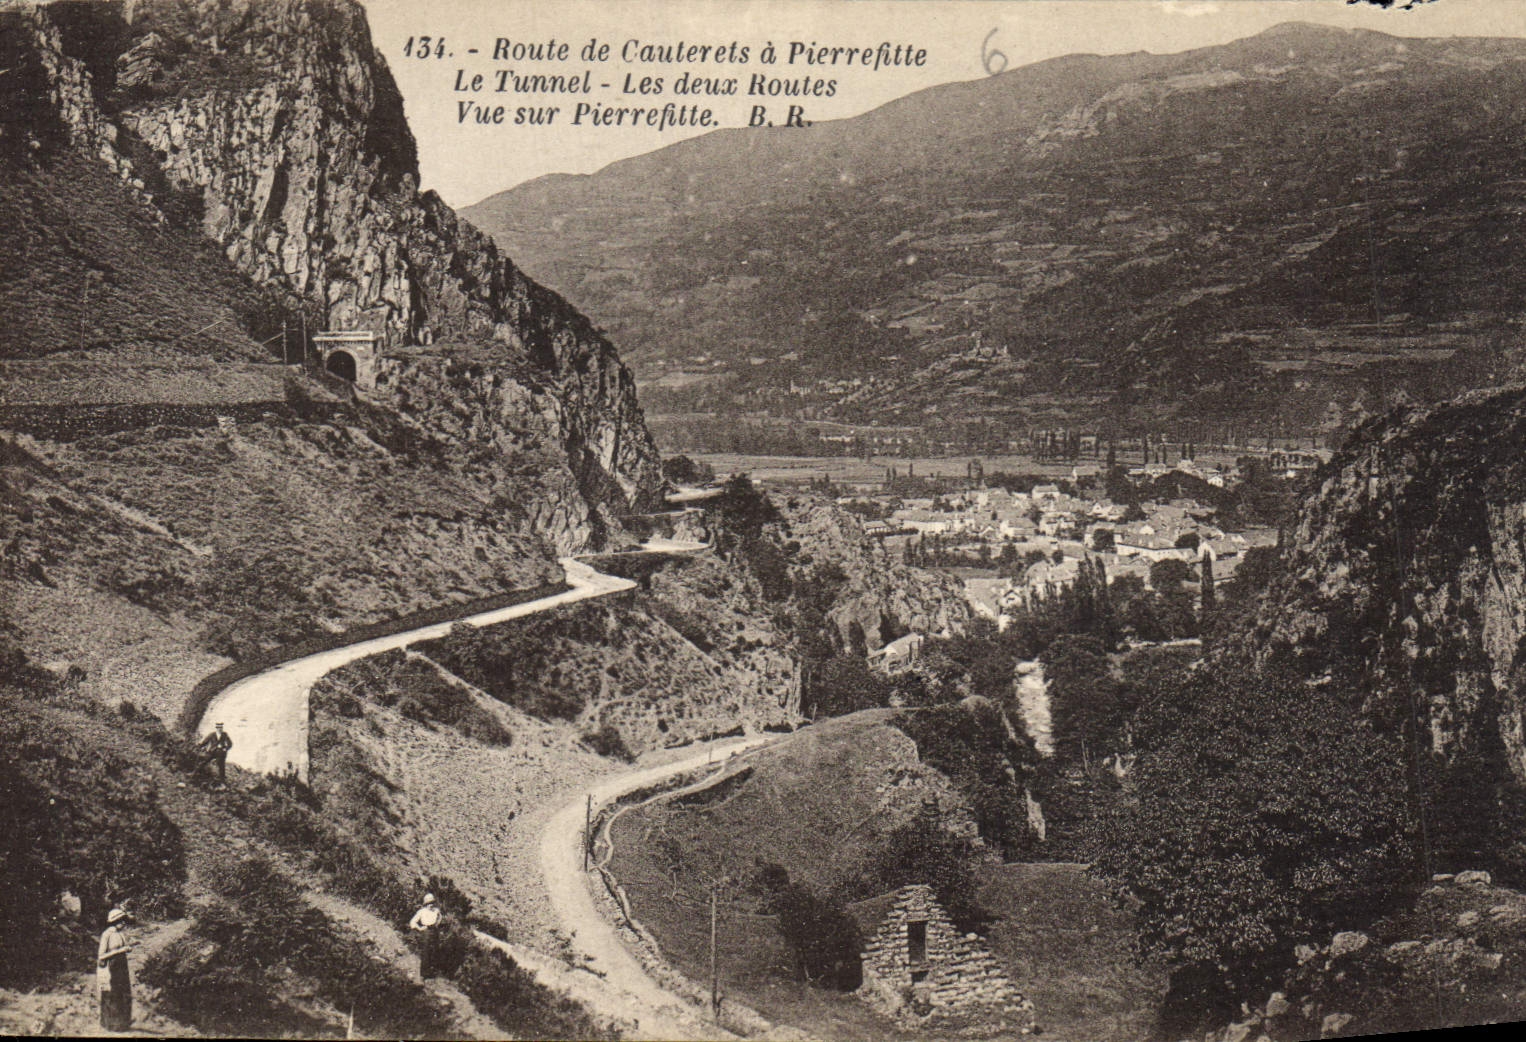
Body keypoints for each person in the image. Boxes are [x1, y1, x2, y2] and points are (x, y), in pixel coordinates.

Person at [98, 907, 133, 1031]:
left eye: (124, 921)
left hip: (122, 966)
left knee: (123, 992)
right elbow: (101, 956)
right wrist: (119, 951)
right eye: (120, 921)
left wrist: (129, 946)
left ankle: (123, 1022)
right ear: (114, 921)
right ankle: (112, 1024)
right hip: (111, 966)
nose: (123, 923)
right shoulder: (107, 934)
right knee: (113, 994)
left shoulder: (120, 934)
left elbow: (123, 947)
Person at [409, 892, 442, 979]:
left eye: (432, 903)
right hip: (426, 931)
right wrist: (419, 928)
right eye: (428, 903)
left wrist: (437, 924)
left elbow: (439, 918)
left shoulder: (436, 911)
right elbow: (412, 922)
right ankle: (423, 974)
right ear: (425, 904)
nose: (431, 905)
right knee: (426, 951)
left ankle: (431, 972)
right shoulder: (422, 912)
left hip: (434, 931)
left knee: (434, 950)